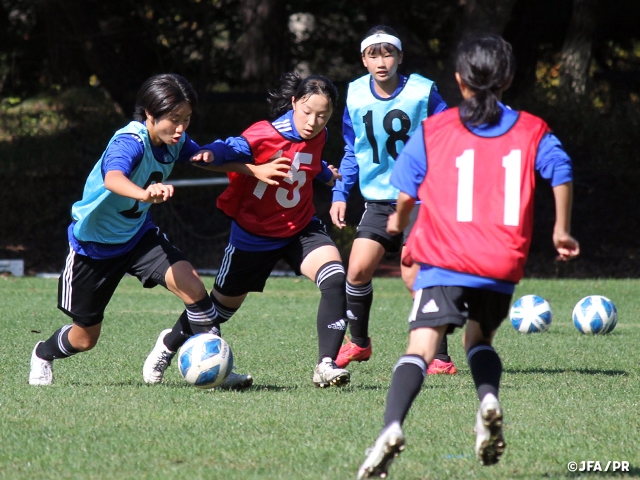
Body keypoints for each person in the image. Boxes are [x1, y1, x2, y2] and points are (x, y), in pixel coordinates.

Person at [357, 33, 580, 479]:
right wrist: (561, 230)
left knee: (420, 348)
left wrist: (399, 223)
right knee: (478, 341)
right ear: (509, 78)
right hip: (500, 261)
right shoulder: (531, 128)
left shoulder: (435, 129)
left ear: (459, 82)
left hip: (443, 256)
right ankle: (488, 402)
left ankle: (391, 427)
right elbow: (561, 169)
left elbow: (405, 192)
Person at [28, 73, 263, 388]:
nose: (181, 128)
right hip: (93, 248)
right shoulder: (130, 141)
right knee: (84, 339)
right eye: (174, 119)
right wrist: (143, 193)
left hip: (138, 238)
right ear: (150, 115)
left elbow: (203, 159)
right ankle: (43, 353)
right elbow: (113, 178)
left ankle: (210, 366)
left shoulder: (173, 141)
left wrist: (251, 169)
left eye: (187, 119)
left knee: (194, 289)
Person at [143, 72, 352, 388]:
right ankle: (169, 343)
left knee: (335, 277)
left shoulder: (317, 135)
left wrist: (325, 174)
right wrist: (212, 153)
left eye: (323, 115)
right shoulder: (264, 133)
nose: (313, 121)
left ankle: (326, 364)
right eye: (307, 112)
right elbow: (233, 147)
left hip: (300, 228)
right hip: (253, 237)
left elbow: (310, 161)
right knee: (217, 312)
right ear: (293, 103)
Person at [329, 26, 455, 374]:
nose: (381, 62)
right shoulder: (354, 94)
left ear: (400, 57)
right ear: (363, 59)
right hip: (378, 202)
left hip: (420, 201)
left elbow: (448, 136)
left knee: (414, 276)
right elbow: (352, 152)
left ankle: (440, 357)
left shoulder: (422, 91)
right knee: (355, 270)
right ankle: (359, 343)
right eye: (373, 54)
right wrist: (340, 193)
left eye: (388, 54)